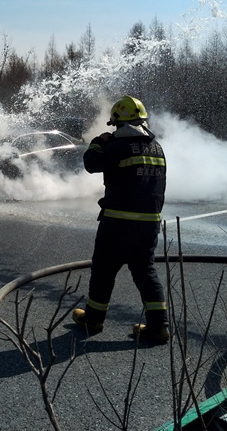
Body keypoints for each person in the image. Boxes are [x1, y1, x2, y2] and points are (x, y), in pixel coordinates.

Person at [71, 95, 170, 343]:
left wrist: (98, 142)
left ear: (117, 123)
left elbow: (91, 163)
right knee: (145, 271)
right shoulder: (157, 148)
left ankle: (93, 319)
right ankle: (159, 326)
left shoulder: (118, 146)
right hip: (149, 224)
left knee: (103, 270)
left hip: (118, 223)